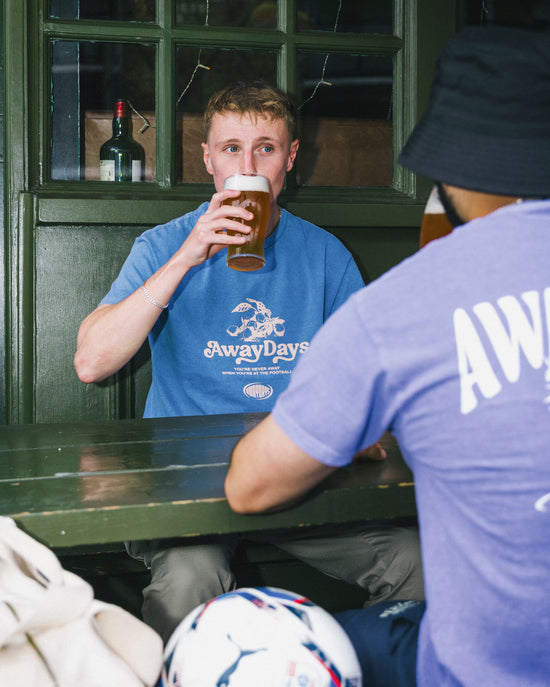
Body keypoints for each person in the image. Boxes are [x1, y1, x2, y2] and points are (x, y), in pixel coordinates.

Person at [225, 26, 550, 687]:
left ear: (447, 170)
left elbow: (249, 485)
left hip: (481, 672)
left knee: (263, 649)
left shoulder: (403, 306)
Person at [74, 80, 423, 643]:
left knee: (414, 560)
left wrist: (359, 425)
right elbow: (91, 363)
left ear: (288, 159)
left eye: (265, 146)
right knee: (191, 575)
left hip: (293, 469)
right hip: (185, 480)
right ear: (208, 160)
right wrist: (188, 257)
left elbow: (370, 374)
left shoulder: (325, 254)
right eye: (232, 148)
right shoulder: (164, 246)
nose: (249, 162)